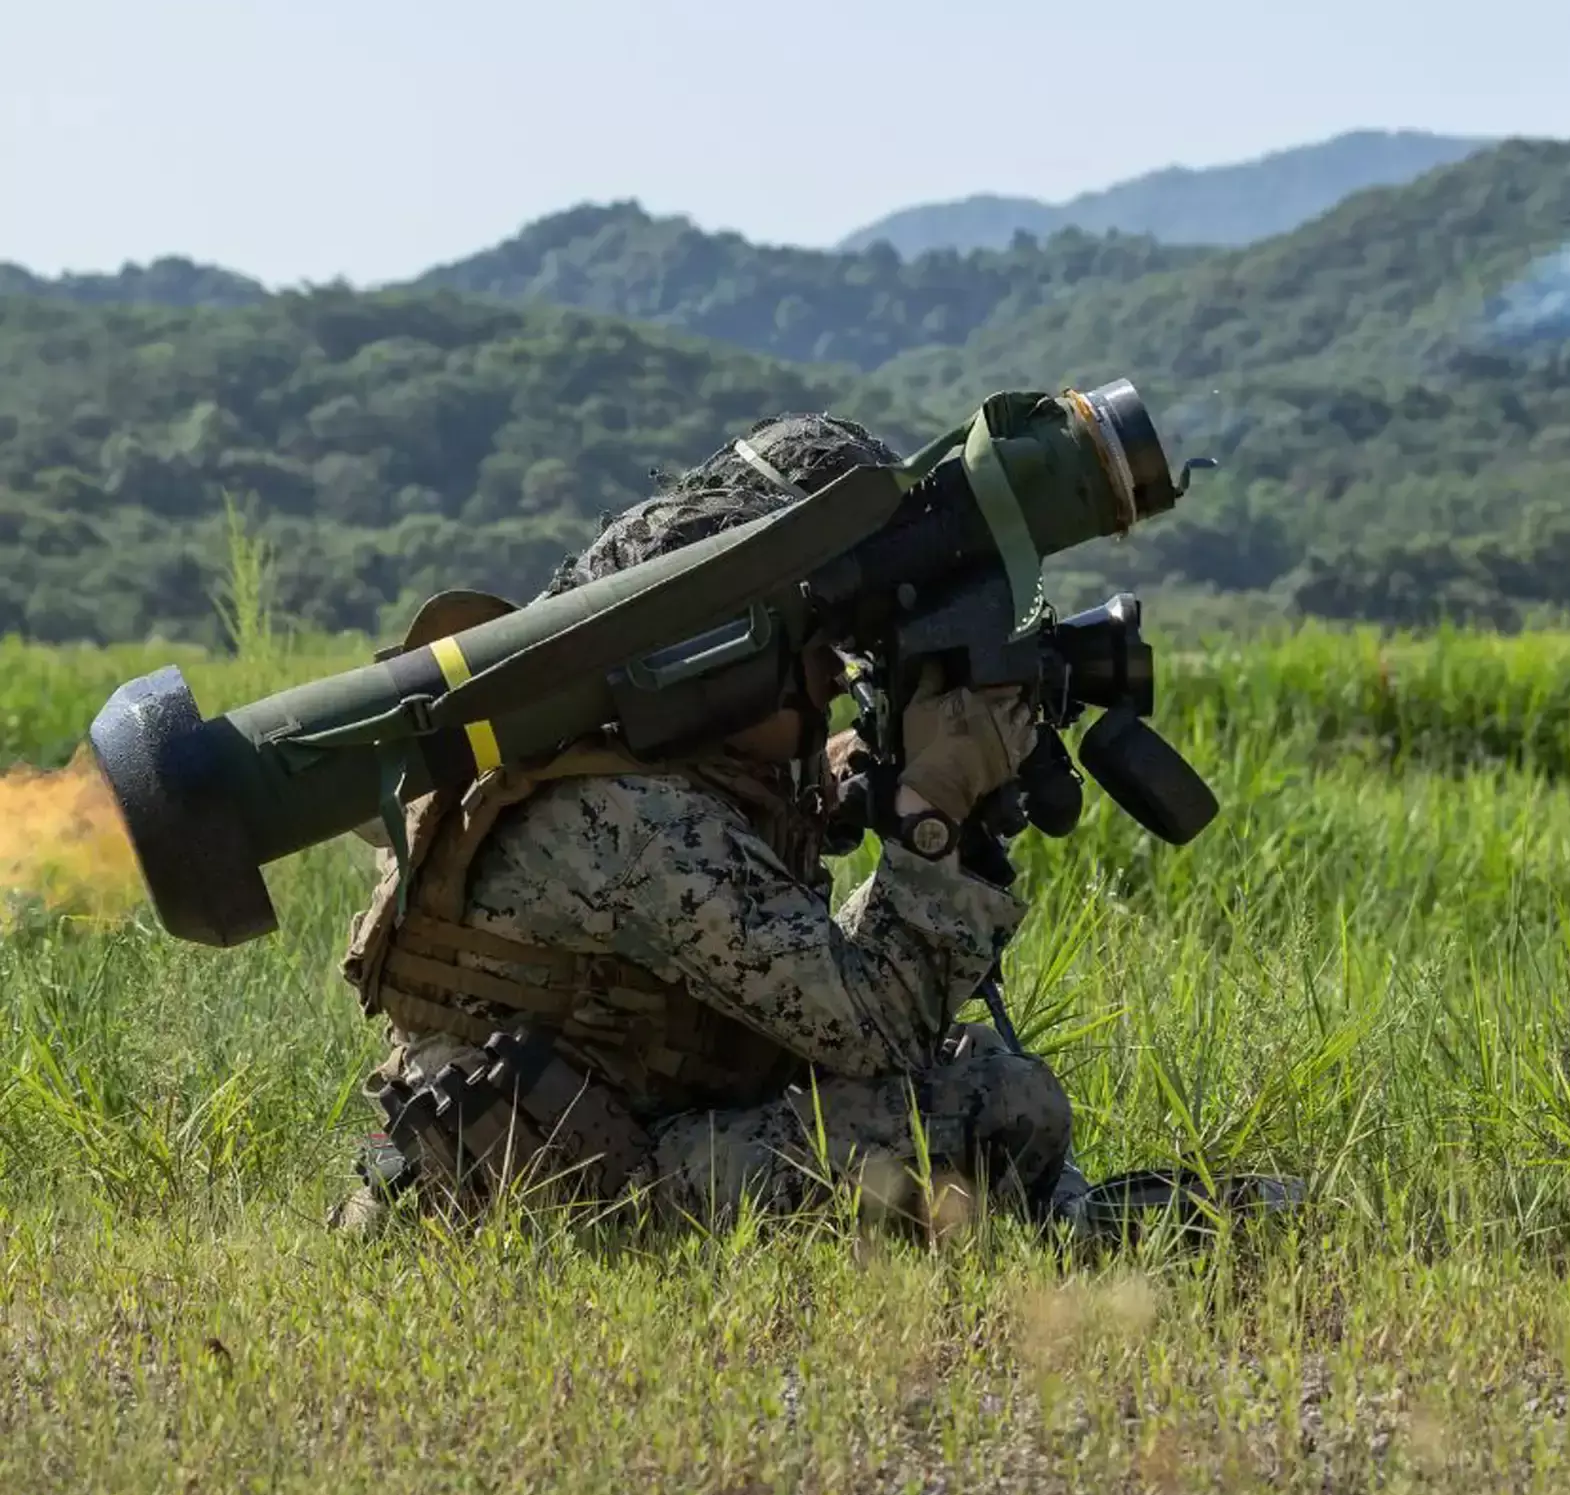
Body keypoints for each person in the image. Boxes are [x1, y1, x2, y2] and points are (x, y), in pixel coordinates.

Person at [330, 411, 1080, 1235]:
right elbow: (872, 1028)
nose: (837, 676)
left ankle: (1063, 1228)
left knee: (982, 1080)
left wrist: (865, 790)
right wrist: (930, 810)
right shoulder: (633, 819)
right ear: (728, 652)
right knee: (1000, 1103)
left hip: (557, 1148)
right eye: (818, 643)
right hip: (564, 1196)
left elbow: (803, 987)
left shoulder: (593, 748)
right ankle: (1080, 1235)